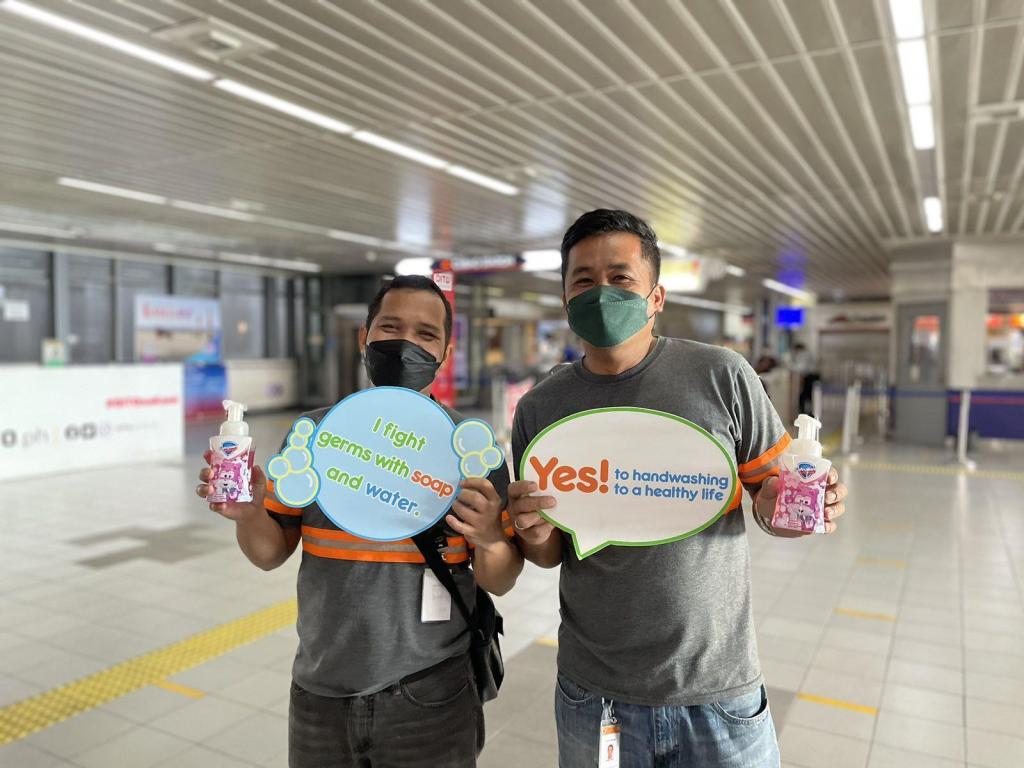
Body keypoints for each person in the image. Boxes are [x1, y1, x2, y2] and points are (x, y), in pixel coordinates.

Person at [507, 210, 849, 768]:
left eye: (621, 278)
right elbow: (546, 553)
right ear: (565, 298)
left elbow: (777, 505)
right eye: (583, 280)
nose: (601, 293)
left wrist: (794, 506)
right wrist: (533, 530)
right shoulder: (542, 408)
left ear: (657, 296)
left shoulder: (721, 376)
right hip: (597, 695)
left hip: (718, 691)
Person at [197, 275, 523, 768]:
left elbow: (500, 578)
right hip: (321, 688)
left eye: (426, 334)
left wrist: (492, 539)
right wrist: (247, 514)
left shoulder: (471, 450)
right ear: (364, 337)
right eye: (390, 327)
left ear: (445, 352)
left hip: (431, 688)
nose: (405, 344)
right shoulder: (312, 437)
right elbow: (269, 553)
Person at [788, 343, 820, 416]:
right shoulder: (805, 353)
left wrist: (790, 366)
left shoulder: (803, 354)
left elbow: (801, 367)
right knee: (807, 396)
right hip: (810, 377)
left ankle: (807, 412)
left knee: (806, 396)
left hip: (810, 377)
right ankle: (807, 412)